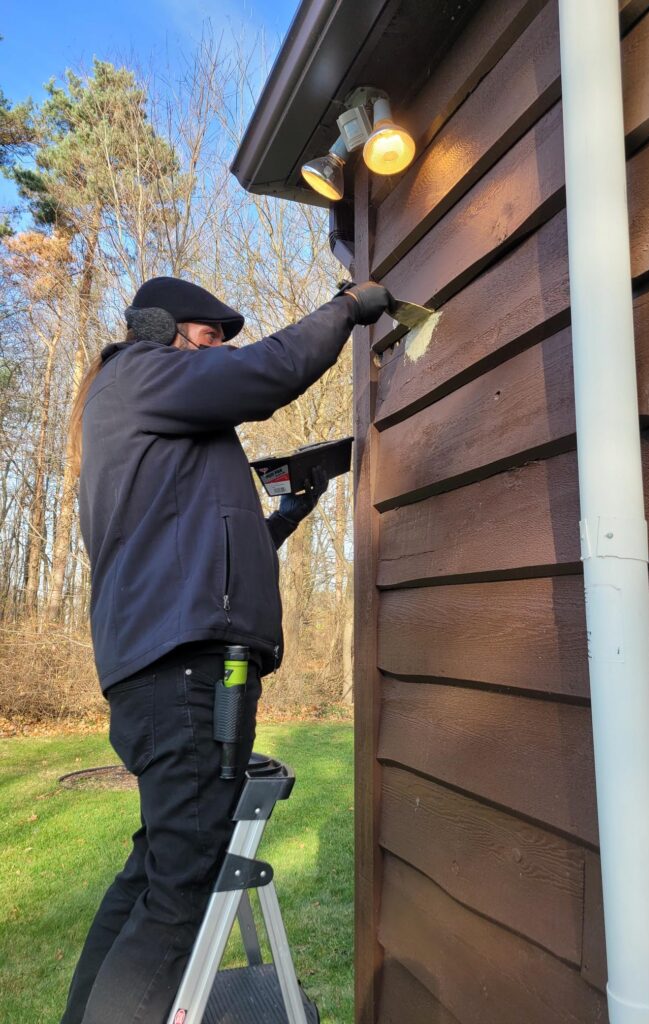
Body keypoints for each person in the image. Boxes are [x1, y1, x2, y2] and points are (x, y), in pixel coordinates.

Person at [60, 275, 391, 1024]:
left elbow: (201, 551)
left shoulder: (144, 418)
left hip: (163, 668)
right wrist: (347, 309)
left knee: (156, 870)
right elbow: (263, 374)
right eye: (208, 339)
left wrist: (284, 514)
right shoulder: (141, 374)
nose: (217, 354)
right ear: (163, 330)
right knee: (181, 894)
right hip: (183, 674)